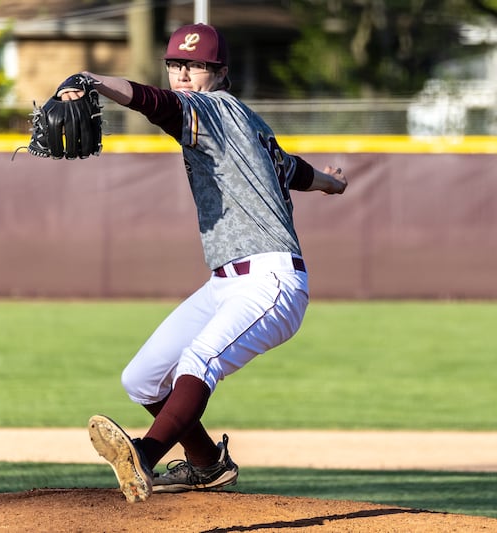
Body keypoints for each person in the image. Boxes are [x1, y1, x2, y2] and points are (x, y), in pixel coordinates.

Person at [74, 23, 347, 503]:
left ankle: (144, 454)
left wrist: (95, 81)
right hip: (226, 283)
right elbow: (292, 170)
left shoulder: (211, 106)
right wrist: (332, 182)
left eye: (195, 66)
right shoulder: (251, 125)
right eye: (176, 64)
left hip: (271, 281)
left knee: (198, 361)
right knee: (141, 378)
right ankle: (206, 464)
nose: (183, 74)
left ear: (219, 72)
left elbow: (152, 102)